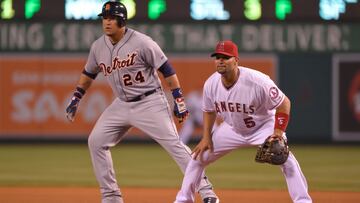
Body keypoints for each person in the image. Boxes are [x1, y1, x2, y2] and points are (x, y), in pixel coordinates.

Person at [65, 1, 218, 203]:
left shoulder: (142, 42)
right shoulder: (98, 47)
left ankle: (207, 192)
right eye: (104, 18)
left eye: (111, 18)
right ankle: (111, 197)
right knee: (96, 141)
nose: (107, 22)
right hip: (121, 104)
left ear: (122, 20)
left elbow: (167, 69)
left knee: (175, 144)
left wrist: (178, 98)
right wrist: (76, 97)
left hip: (150, 101)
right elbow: (88, 73)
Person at [174, 40, 312, 203]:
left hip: (262, 126)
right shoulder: (211, 83)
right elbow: (209, 111)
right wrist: (206, 137)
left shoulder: (257, 81)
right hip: (232, 129)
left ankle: (303, 201)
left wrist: (278, 133)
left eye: (225, 57)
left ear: (236, 61)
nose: (220, 61)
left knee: (286, 160)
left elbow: (284, 103)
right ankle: (183, 200)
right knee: (197, 158)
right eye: (217, 57)